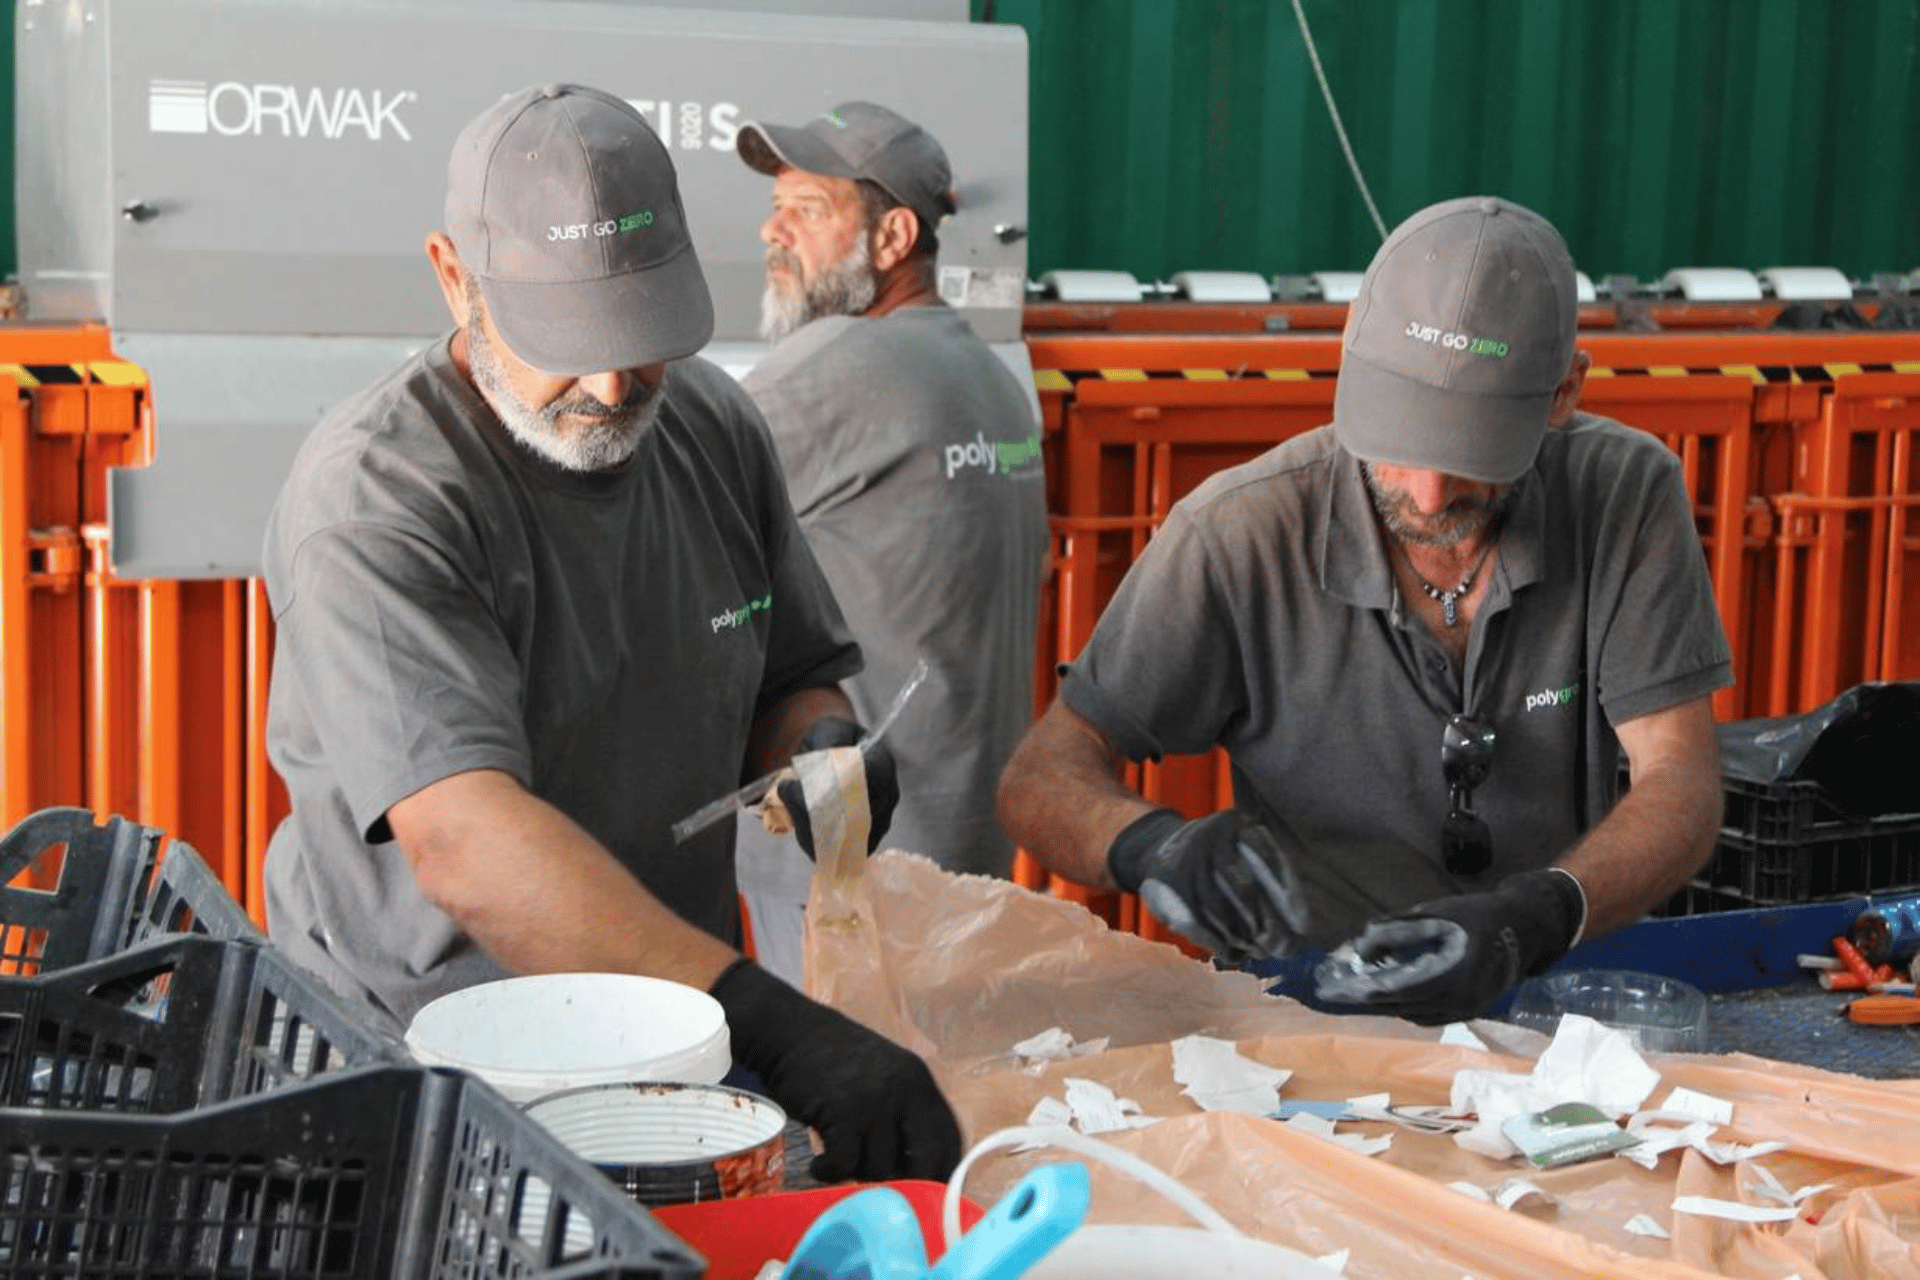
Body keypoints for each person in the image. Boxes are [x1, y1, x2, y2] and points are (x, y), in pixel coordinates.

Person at [260, 83, 960, 1182]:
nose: (608, 384)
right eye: (565, 339)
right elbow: (464, 840)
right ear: (455, 276)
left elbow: (794, 671)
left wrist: (823, 748)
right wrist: (770, 1022)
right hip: (428, 1065)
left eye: (638, 337)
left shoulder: (712, 426)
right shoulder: (378, 495)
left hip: (662, 1043)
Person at [998, 196, 1732, 1026]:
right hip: (1310, 1014)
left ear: (1564, 393)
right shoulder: (1241, 528)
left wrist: (1542, 914)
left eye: (1472, 456)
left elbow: (1682, 780)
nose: (1425, 495)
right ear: (1351, 347)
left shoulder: (1623, 493)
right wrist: (1150, 845)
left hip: (1553, 1005)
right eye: (1401, 440)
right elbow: (1041, 775)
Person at [729, 101, 1048, 981]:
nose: (773, 228)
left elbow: (662, 511)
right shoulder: (991, 378)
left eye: (809, 208)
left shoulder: (840, 363)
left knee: (840, 1104)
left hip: (838, 859)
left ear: (893, 235)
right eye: (777, 205)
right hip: (958, 840)